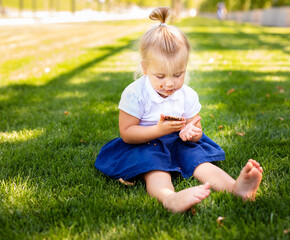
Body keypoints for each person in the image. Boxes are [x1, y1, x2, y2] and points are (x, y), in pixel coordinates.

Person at [95, 7, 263, 213]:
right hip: (144, 143)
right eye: (160, 76)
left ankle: (235, 188)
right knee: (153, 165)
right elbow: (127, 133)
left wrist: (191, 133)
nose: (169, 84)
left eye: (177, 75)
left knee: (198, 160)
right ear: (145, 68)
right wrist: (158, 131)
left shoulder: (187, 94)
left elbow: (196, 128)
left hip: (178, 141)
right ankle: (170, 198)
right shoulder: (135, 93)